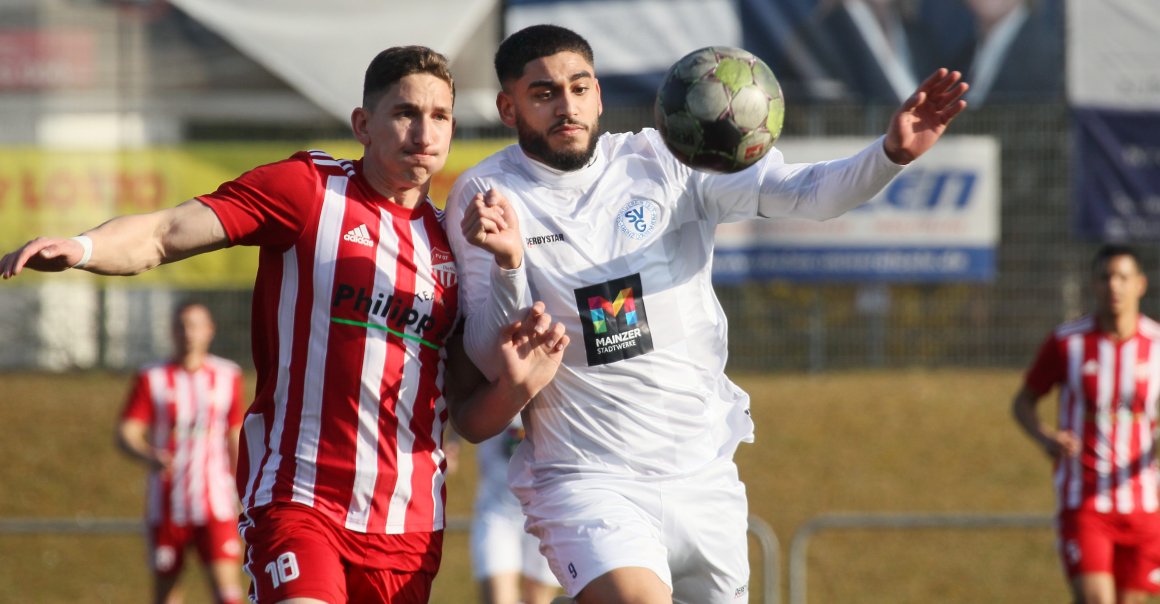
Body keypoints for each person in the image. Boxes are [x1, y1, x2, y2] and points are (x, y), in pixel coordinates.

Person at [1, 45, 568, 604]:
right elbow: (164, 233)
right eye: (404, 113)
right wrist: (81, 246)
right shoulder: (309, 189)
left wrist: (519, 386)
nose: (424, 134)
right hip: (299, 500)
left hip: (408, 526)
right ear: (363, 124)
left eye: (439, 117)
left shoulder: (456, 244)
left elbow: (469, 418)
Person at [444, 23, 967, 604]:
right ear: (507, 107)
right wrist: (511, 266)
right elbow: (492, 357)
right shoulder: (485, 192)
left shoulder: (667, 161)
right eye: (543, 93)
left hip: (703, 473)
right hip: (588, 478)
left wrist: (888, 154)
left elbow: (808, 192)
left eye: (579, 87)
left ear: (597, 93)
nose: (566, 106)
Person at [1012, 244, 1160, 604]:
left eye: (1123, 277)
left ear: (1140, 284)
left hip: (1143, 505)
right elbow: (1024, 402)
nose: (1114, 286)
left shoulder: (1156, 344)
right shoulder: (1068, 342)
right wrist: (1045, 437)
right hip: (1085, 501)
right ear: (1093, 284)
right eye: (1105, 277)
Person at [117, 301, 245, 604]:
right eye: (182, 325)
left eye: (196, 325)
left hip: (216, 503)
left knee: (228, 593)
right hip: (167, 502)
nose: (189, 333)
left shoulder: (228, 376)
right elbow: (127, 432)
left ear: (210, 330)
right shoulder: (153, 377)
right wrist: (148, 454)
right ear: (172, 331)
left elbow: (235, 435)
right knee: (167, 595)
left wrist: (245, 490)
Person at [468, 417, 560, 604]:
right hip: (497, 511)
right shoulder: (490, 387)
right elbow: (461, 401)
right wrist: (452, 442)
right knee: (498, 598)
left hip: (545, 513)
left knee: (538, 598)